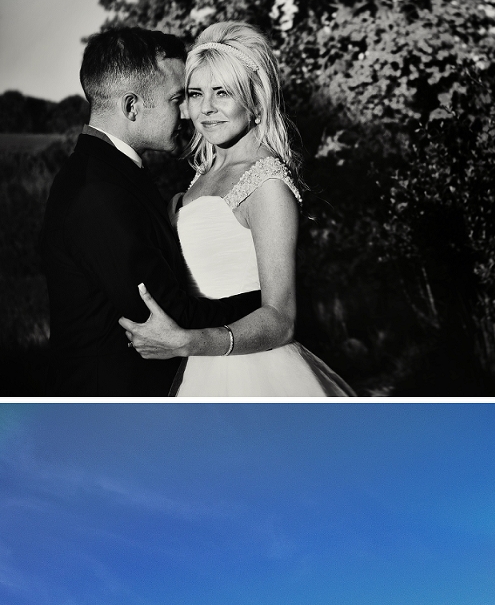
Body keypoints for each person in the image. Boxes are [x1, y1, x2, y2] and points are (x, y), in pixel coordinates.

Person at [118, 20, 353, 396]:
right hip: (195, 367)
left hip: (251, 370)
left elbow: (281, 319)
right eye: (196, 93)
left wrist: (189, 342)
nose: (206, 109)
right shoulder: (203, 174)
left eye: (222, 92)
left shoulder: (267, 183)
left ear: (255, 101)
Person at [41, 28, 263, 396]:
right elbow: (169, 315)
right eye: (177, 99)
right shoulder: (98, 192)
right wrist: (268, 304)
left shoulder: (108, 172)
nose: (189, 113)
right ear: (132, 107)